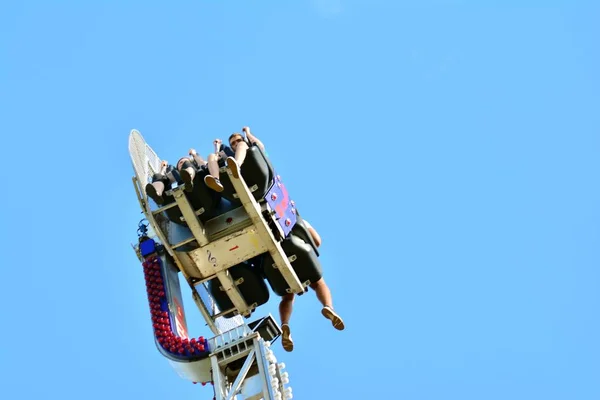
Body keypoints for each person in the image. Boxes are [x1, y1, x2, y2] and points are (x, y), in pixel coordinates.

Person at [279, 219, 345, 352]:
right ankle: (328, 306)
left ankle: (285, 323)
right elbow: (317, 241)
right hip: (297, 251)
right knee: (319, 283)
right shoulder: (292, 216)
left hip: (274, 262)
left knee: (287, 298)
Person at [204, 126, 265, 191]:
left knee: (241, 144)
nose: (236, 143)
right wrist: (217, 147)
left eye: (238, 140)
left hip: (255, 171)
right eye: (233, 143)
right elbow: (217, 157)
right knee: (211, 156)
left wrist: (247, 133)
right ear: (231, 147)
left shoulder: (247, 145)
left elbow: (261, 147)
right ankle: (216, 180)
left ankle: (237, 166)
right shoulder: (231, 156)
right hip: (238, 175)